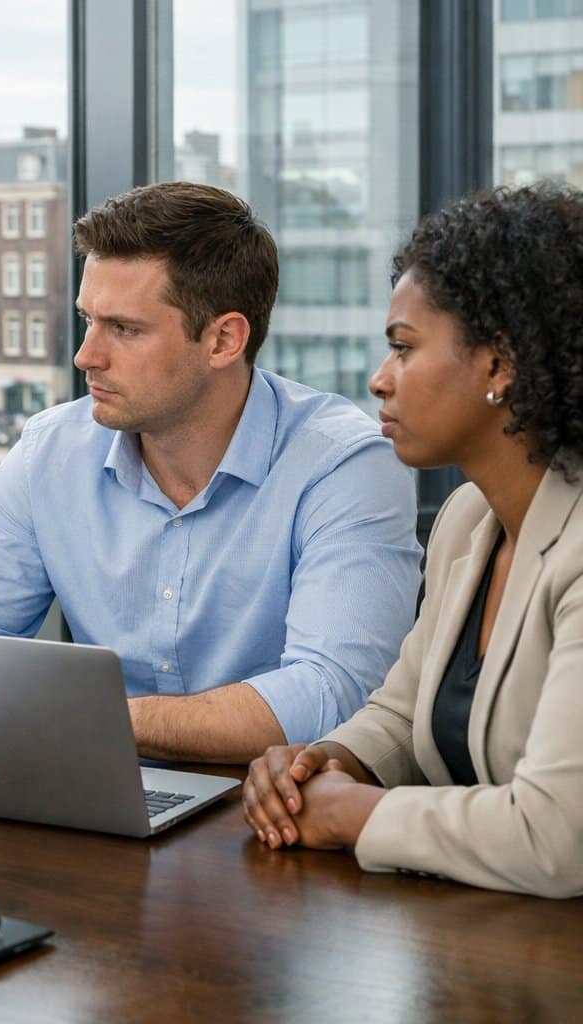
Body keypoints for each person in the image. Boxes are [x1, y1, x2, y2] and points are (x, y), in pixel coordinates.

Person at [0, 182, 423, 763]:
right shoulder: (50, 451)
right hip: (97, 792)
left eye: (124, 329)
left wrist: (84, 717)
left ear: (224, 339)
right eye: (88, 320)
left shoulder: (344, 465)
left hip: (276, 817)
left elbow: (333, 695)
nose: (86, 356)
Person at [242, 183, 583, 898]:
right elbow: (403, 712)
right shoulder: (469, 518)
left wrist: (358, 815)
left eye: (403, 349)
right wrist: (323, 766)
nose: (379, 379)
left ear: (501, 363)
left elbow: (557, 837)